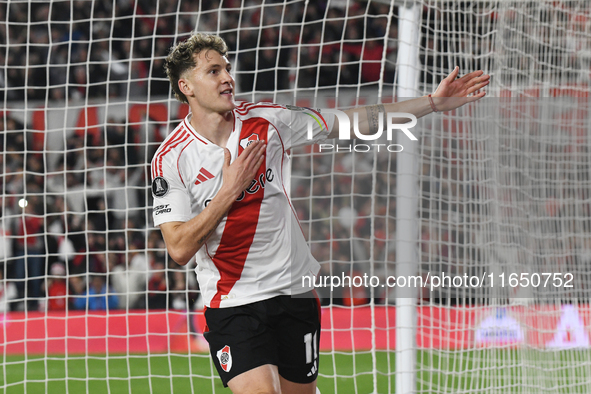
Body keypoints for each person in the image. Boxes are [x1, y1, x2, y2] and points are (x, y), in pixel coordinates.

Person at [151, 32, 489, 394]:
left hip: (295, 292)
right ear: (185, 86)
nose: (227, 78)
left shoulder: (269, 121)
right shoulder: (171, 158)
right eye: (213, 71)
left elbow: (348, 120)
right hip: (235, 302)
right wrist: (230, 190)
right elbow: (179, 248)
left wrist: (431, 104)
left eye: (227, 69)